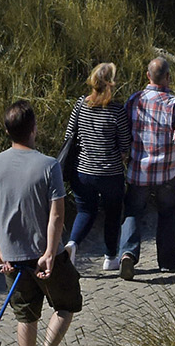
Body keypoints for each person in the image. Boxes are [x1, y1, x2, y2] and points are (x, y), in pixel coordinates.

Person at [0, 101, 79, 346]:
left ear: (7, 131)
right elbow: (56, 216)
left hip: (12, 257)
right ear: (34, 128)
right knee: (67, 304)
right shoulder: (49, 165)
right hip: (44, 255)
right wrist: (51, 253)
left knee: (25, 316)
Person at [118, 57, 175, 280]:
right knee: (168, 214)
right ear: (168, 77)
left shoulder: (134, 100)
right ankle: (168, 261)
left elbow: (124, 133)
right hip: (167, 171)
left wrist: (124, 158)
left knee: (132, 211)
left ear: (148, 76)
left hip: (139, 169)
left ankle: (128, 254)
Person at [62, 63, 130, 272]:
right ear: (112, 83)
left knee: (85, 210)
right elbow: (125, 143)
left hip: (82, 172)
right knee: (112, 213)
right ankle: (110, 257)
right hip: (110, 173)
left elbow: (69, 136)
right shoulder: (118, 110)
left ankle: (72, 244)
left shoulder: (81, 104)